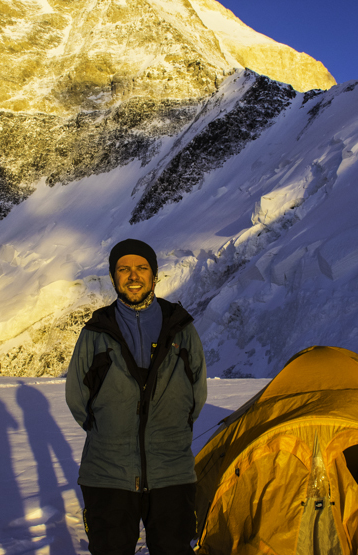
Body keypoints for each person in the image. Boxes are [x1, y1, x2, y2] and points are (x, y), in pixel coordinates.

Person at [66, 238, 207, 555]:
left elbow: (197, 394)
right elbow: (77, 398)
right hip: (107, 475)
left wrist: (172, 431)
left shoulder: (181, 329)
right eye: (124, 269)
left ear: (154, 276)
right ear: (114, 277)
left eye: (141, 268)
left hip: (171, 473)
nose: (133, 276)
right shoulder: (95, 332)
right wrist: (108, 434)